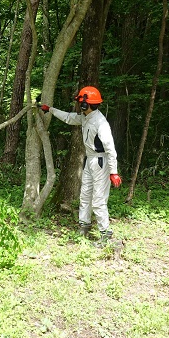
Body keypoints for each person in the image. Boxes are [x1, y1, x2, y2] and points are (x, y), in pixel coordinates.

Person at [40, 86, 122, 244]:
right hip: (90, 160)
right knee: (85, 195)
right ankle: (84, 227)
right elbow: (69, 118)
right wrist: (50, 109)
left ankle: (106, 235)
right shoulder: (85, 117)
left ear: (86, 105)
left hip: (101, 162)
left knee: (98, 200)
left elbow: (111, 149)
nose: (78, 105)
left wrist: (113, 171)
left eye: (80, 103)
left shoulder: (100, 123)